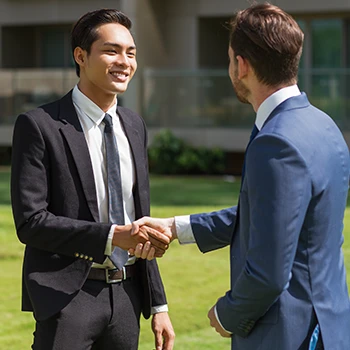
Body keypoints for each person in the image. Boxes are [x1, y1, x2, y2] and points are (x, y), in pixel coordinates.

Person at [132, 3, 350, 349]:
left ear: (241, 65)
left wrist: (228, 313)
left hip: (288, 335)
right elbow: (274, 217)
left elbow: (268, 274)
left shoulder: (276, 141)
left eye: (230, 58)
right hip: (330, 326)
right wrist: (177, 228)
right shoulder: (324, 125)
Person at [11, 8, 174, 350]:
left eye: (131, 53)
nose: (124, 62)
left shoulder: (134, 125)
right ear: (81, 56)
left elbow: (140, 219)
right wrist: (114, 236)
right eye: (112, 51)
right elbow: (31, 222)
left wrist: (158, 304)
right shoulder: (40, 126)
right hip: (68, 297)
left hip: (128, 295)